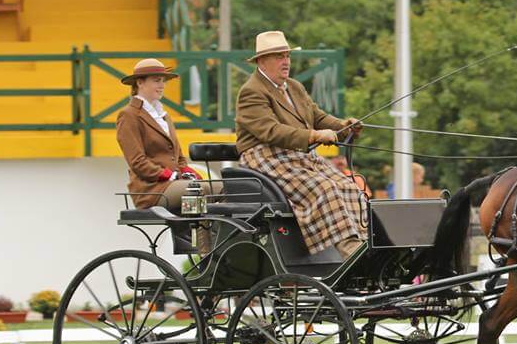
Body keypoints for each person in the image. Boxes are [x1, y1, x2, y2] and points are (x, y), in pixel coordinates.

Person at [235, 30, 367, 259]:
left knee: (350, 188)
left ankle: (366, 245)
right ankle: (351, 255)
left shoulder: (294, 87)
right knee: (326, 189)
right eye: (278, 56)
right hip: (265, 158)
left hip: (298, 157)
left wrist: (344, 127)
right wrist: (314, 136)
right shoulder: (251, 91)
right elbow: (270, 131)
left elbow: (317, 117)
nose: (285, 61)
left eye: (287, 55)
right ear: (261, 61)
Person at [115, 58, 210, 211]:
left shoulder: (163, 116)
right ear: (140, 83)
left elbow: (178, 156)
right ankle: (196, 234)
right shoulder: (128, 115)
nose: (162, 86)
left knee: (222, 188)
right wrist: (167, 175)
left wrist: (185, 171)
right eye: (157, 81)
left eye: (163, 81)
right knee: (200, 191)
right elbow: (137, 162)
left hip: (174, 184)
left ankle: (208, 234)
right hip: (150, 190)